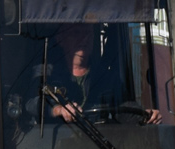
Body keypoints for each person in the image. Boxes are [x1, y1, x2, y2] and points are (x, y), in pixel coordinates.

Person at [33, 23, 162, 125]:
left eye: (88, 33)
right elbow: (31, 103)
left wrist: (146, 116)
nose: (83, 39)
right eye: (76, 33)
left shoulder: (106, 78)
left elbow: (125, 108)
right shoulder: (47, 74)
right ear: (60, 38)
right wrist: (58, 110)